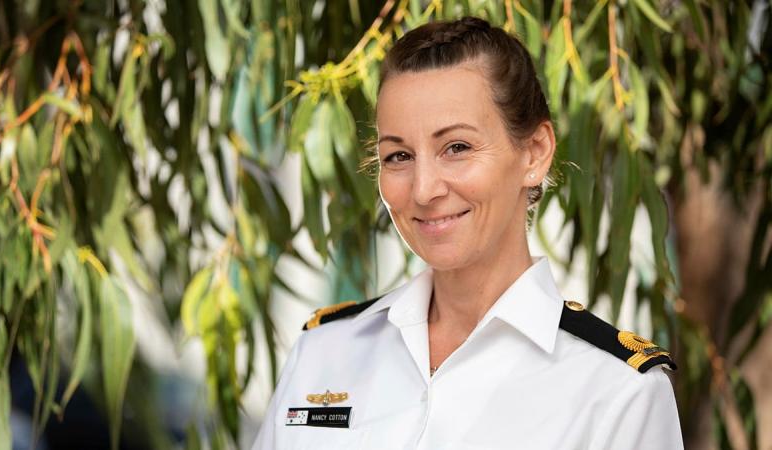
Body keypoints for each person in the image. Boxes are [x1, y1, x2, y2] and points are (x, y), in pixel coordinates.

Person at [252, 16, 683, 450]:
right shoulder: (322, 353)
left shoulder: (617, 393)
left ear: (535, 153)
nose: (424, 190)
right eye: (398, 156)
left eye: (457, 147)